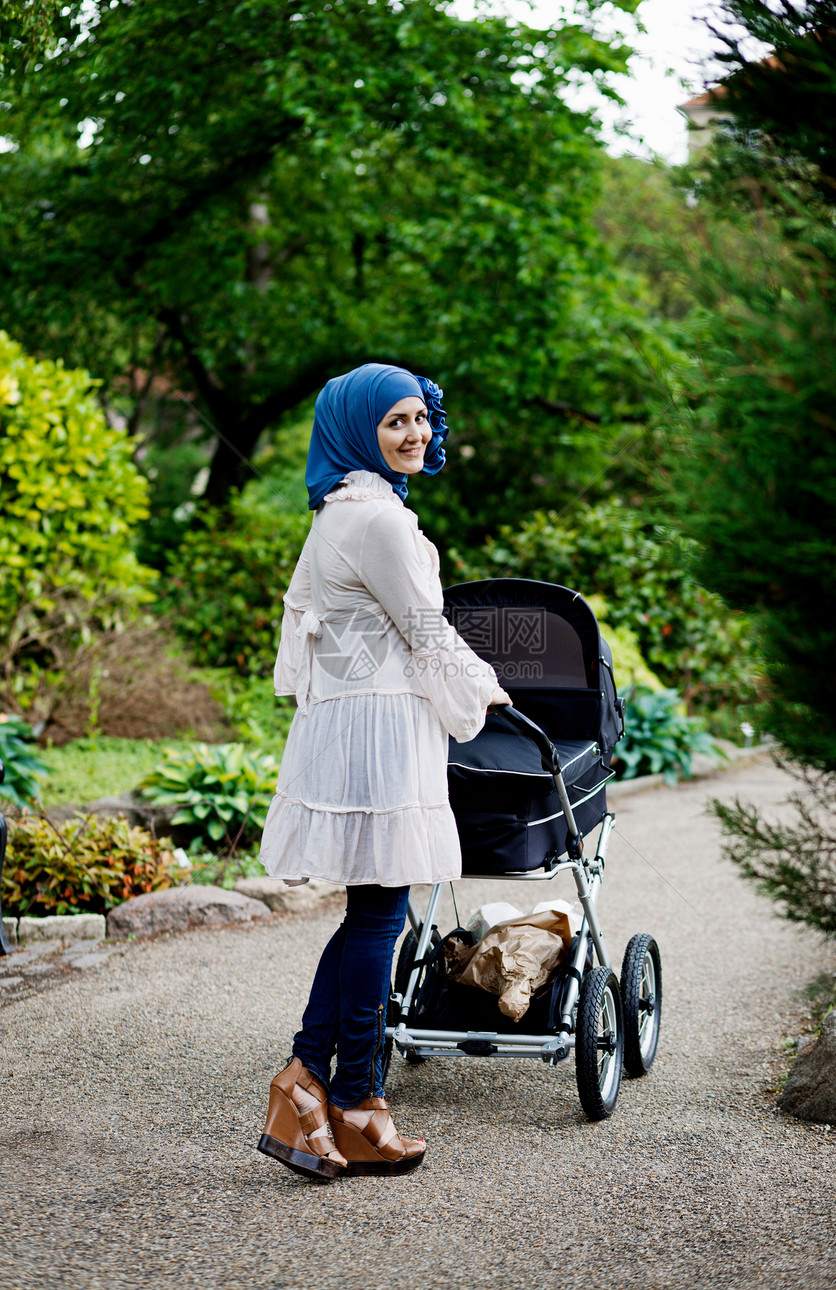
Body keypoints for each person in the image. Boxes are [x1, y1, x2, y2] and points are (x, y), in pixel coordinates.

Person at [256, 362, 510, 1181]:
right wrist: (487, 693)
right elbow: (426, 633)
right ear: (356, 428)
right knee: (378, 918)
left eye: (421, 419)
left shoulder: (343, 511)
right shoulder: (380, 523)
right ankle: (357, 1098)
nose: (416, 434)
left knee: (371, 914)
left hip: (357, 726)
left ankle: (306, 1085)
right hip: (384, 733)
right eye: (395, 421)